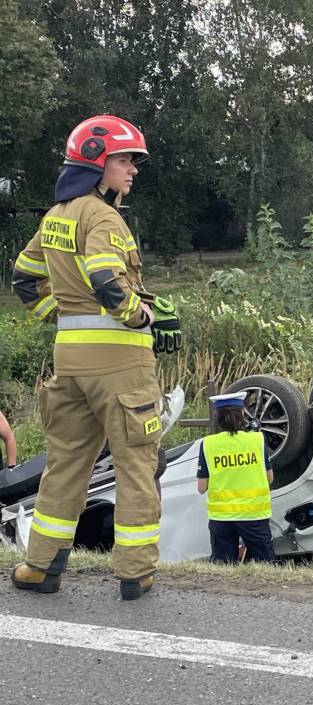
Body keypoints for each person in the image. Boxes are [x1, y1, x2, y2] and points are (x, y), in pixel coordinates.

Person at [10, 115, 182, 600]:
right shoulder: (104, 218)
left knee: (65, 464)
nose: (133, 170)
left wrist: (63, 316)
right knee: (137, 464)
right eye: (125, 160)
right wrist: (142, 316)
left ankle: (40, 567)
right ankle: (135, 573)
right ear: (95, 163)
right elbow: (108, 281)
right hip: (121, 367)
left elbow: (24, 279)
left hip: (70, 365)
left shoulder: (56, 217)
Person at [197, 392, 275, 564]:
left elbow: (202, 487)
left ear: (218, 418)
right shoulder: (257, 440)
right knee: (266, 566)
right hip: (254, 515)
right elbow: (269, 478)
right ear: (242, 414)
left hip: (221, 518)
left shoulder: (208, 444)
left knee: (223, 568)